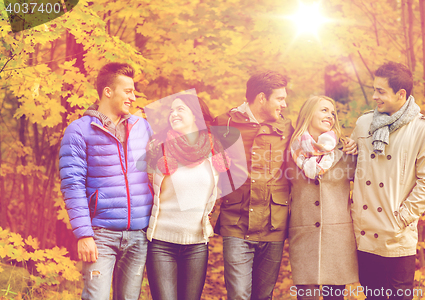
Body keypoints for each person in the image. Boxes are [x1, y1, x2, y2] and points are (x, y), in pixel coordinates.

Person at [350, 61, 425, 300]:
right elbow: (353, 170)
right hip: (365, 233)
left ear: (401, 94)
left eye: (381, 91)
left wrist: (401, 219)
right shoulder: (363, 124)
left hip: (397, 237)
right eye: (374, 89)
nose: (374, 96)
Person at [59, 62, 153, 299]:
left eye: (134, 91)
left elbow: (159, 173)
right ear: (108, 91)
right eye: (128, 91)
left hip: (139, 234)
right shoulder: (79, 130)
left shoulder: (143, 127)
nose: (133, 97)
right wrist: (84, 234)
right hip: (100, 234)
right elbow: (72, 185)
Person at [213, 70, 293, 300]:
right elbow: (209, 167)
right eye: (279, 98)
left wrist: (345, 144)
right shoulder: (224, 124)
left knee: (263, 296)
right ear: (261, 98)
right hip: (236, 224)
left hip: (273, 225)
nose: (284, 104)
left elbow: (315, 145)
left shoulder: (287, 128)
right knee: (239, 295)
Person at [145, 94, 230, 300]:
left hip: (196, 246)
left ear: (196, 115)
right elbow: (145, 190)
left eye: (180, 109)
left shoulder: (213, 151)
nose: (173, 114)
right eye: (171, 110)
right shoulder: (158, 148)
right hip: (161, 244)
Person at [288, 95, 359, 300]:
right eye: (324, 110)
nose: (330, 116)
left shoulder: (345, 151)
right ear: (308, 114)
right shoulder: (291, 152)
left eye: (332, 112)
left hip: (337, 239)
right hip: (303, 237)